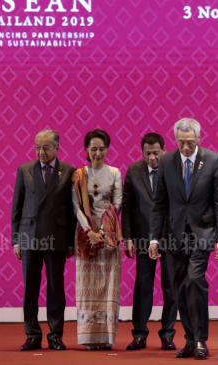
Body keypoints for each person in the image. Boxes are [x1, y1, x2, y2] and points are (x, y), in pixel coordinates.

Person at [149, 118, 218, 359]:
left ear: (199, 139)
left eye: (190, 143)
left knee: (195, 281)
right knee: (179, 289)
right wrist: (154, 239)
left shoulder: (212, 160)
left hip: (202, 233)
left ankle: (201, 340)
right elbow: (159, 204)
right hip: (173, 236)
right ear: (175, 140)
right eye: (181, 142)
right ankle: (190, 339)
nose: (186, 147)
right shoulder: (166, 162)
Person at [11, 129, 75, 351]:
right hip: (29, 237)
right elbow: (16, 208)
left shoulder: (68, 172)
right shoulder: (25, 170)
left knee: (56, 288)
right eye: (37, 147)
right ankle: (32, 334)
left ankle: (55, 335)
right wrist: (16, 241)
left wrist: (71, 243)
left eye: (45, 147)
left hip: (56, 239)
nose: (40, 151)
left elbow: (71, 211)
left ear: (57, 148)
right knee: (30, 288)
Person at [122, 132, 177, 351]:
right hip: (144, 237)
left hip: (171, 239)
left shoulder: (174, 169)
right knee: (143, 286)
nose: (152, 158)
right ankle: (139, 334)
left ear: (164, 150)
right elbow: (127, 207)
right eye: (148, 153)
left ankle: (168, 334)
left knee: (171, 287)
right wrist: (127, 237)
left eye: (156, 153)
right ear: (142, 153)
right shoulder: (134, 171)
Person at [72, 129, 123, 350]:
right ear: (86, 150)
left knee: (108, 285)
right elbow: (76, 206)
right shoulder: (79, 174)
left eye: (102, 148)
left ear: (107, 149)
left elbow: (118, 202)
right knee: (87, 286)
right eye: (93, 149)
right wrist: (89, 231)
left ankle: (106, 337)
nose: (98, 153)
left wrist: (102, 230)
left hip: (109, 237)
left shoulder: (114, 173)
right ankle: (88, 338)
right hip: (85, 238)